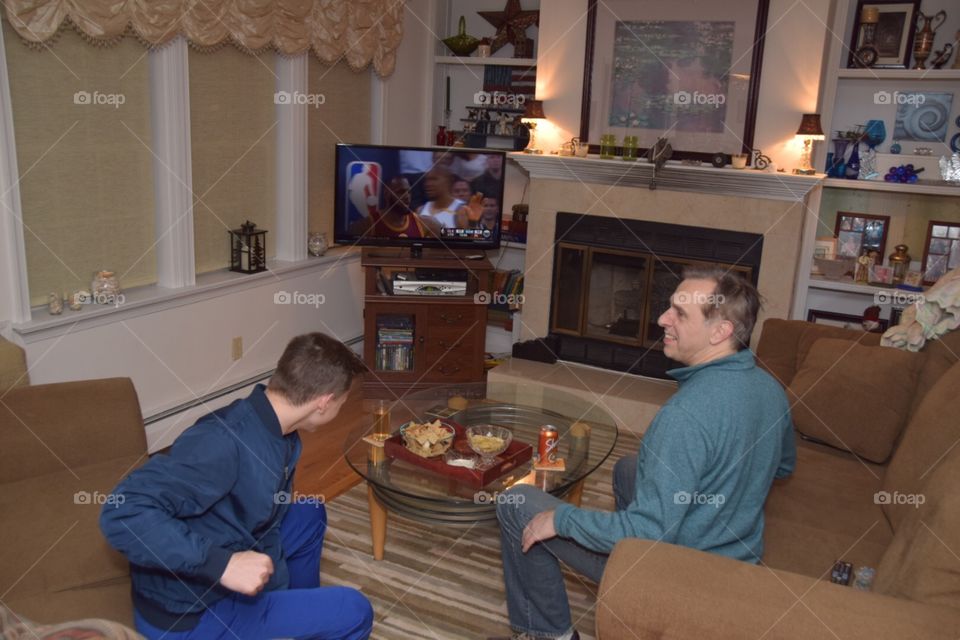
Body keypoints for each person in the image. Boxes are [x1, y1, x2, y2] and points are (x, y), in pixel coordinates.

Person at [493, 266, 796, 640]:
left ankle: (547, 634)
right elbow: (781, 467)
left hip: (681, 577)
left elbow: (649, 531)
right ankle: (621, 586)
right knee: (629, 469)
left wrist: (561, 520)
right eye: (670, 307)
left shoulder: (683, 416)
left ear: (720, 332)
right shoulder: (770, 389)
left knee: (517, 502)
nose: (661, 319)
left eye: (680, 314)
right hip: (736, 562)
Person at [100, 333, 373, 640]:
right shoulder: (222, 442)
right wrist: (223, 565)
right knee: (354, 610)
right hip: (189, 613)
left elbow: (265, 515)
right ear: (324, 402)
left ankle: (299, 624)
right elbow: (123, 511)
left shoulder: (278, 428)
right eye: (343, 401)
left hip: (230, 553)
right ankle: (300, 618)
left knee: (308, 514)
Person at [348, 176, 441, 239]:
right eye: (401, 192)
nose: (407, 196)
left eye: (409, 192)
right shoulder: (367, 226)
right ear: (386, 194)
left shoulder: (426, 223)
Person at [418, 165, 483, 229]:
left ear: (448, 181)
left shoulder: (461, 211)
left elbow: (471, 237)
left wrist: (472, 223)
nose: (428, 184)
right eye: (427, 180)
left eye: (434, 179)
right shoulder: (420, 210)